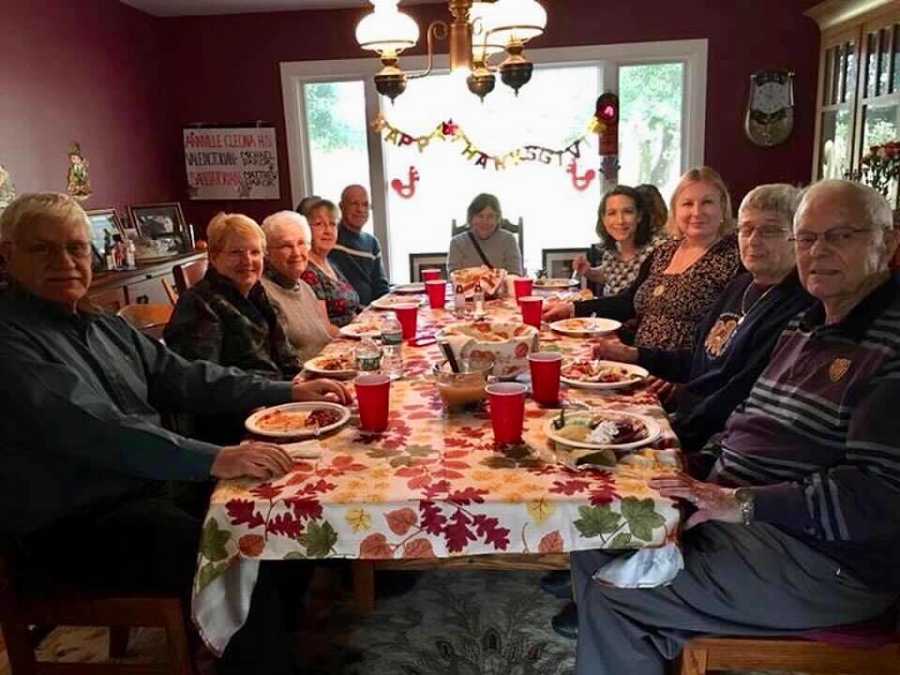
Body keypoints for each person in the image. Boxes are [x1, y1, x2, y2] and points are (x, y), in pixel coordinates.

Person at [0, 192, 352, 675]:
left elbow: (187, 376)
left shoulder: (100, 323)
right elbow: (100, 431)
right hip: (74, 527)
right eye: (43, 250)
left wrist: (288, 390)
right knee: (239, 549)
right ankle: (259, 657)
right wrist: (217, 457)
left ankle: (272, 648)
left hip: (151, 489)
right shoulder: (11, 340)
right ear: (7, 254)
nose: (65, 262)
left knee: (280, 511)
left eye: (76, 248)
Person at [570, 179, 900, 675]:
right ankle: (654, 636)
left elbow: (878, 498)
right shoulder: (807, 323)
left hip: (823, 558)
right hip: (744, 512)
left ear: (888, 242)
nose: (818, 252)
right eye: (807, 238)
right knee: (591, 524)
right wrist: (697, 468)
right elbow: (749, 421)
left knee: (615, 594)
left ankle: (647, 626)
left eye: (840, 236)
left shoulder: (889, 349)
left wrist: (739, 502)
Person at [544, 183, 815, 621]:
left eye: (770, 231)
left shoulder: (794, 306)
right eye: (747, 230)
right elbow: (699, 357)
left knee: (603, 453)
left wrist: (676, 417)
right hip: (687, 405)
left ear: (796, 237)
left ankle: (610, 574)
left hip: (708, 428)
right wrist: (639, 357)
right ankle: (592, 560)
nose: (753, 241)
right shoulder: (742, 285)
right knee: (577, 427)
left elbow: (737, 390)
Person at [543, 167, 742, 352]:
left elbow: (730, 334)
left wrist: (686, 375)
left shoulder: (736, 257)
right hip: (637, 360)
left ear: (723, 207)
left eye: (707, 202)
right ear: (676, 210)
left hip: (681, 376)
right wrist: (572, 309)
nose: (696, 212)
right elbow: (629, 301)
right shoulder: (664, 252)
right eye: (687, 204)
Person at [164, 212, 302, 443]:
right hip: (235, 424)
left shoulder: (256, 293)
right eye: (236, 253)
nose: (247, 261)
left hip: (274, 404)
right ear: (214, 257)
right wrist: (275, 400)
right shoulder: (199, 303)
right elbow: (205, 383)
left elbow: (285, 356)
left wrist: (301, 387)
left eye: (255, 252)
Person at [261, 210, 339, 362]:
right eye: (286, 246)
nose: (296, 252)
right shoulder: (263, 294)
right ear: (267, 253)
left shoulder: (305, 288)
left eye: (301, 243)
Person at [572, 185, 660, 296]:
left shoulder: (659, 251)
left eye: (628, 212)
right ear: (603, 219)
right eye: (612, 213)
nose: (620, 220)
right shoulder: (611, 253)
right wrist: (588, 271)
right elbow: (611, 276)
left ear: (639, 216)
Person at [302, 199, 362, 327]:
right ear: (305, 230)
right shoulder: (307, 271)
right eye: (319, 224)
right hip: (335, 343)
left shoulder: (330, 263)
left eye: (333, 224)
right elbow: (324, 329)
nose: (328, 231)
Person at [328, 184, 390, 305]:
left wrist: (388, 309)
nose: (360, 209)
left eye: (365, 205)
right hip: (345, 314)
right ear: (341, 206)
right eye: (354, 204)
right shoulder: (330, 238)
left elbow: (381, 286)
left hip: (372, 313)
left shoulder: (372, 243)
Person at [447, 192, 524, 275]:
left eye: (490, 216)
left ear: (497, 218)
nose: (485, 222)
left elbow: (515, 274)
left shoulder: (509, 240)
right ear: (471, 218)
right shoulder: (457, 243)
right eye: (480, 216)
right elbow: (454, 276)